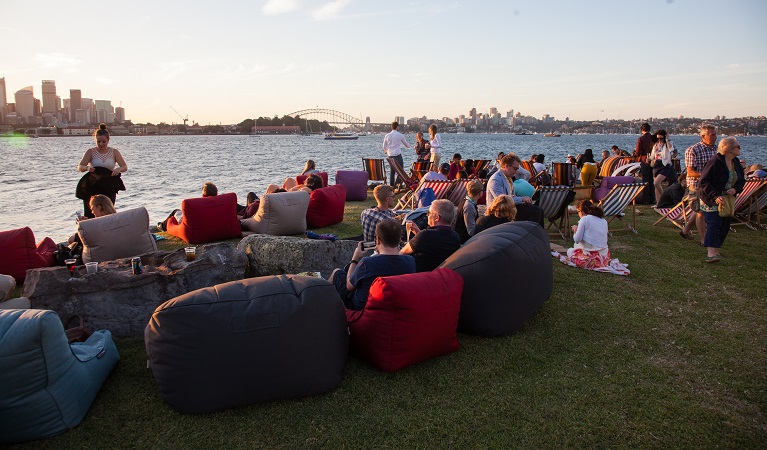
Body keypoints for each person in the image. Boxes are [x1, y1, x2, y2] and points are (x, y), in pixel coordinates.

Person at [330, 219, 415, 310]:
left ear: (377, 240)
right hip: (393, 305)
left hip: (362, 307)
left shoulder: (367, 263)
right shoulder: (410, 261)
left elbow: (349, 286)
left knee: (337, 273)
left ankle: (324, 306)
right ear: (399, 240)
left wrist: (354, 259)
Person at [699, 137, 745, 263]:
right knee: (714, 223)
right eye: (737, 146)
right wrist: (715, 195)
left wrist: (735, 189)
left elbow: (741, 180)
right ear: (729, 149)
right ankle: (711, 252)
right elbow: (704, 181)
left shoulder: (735, 162)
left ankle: (715, 249)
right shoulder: (715, 162)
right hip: (711, 198)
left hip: (727, 199)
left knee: (725, 224)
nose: (739, 149)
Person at [75, 123, 128, 218]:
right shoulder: (91, 151)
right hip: (93, 185)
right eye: (98, 141)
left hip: (108, 184)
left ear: (108, 140)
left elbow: (124, 167)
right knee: (91, 212)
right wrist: (87, 168)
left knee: (108, 212)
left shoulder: (114, 152)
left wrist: (118, 169)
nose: (101, 144)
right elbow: (80, 166)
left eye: (103, 142)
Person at [680, 125, 718, 242]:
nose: (715, 137)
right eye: (712, 135)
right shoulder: (693, 150)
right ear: (703, 136)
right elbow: (690, 172)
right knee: (700, 212)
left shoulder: (716, 149)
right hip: (696, 185)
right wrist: (706, 175)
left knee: (699, 210)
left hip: (710, 186)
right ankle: (704, 240)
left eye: (715, 134)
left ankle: (685, 231)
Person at [401, 199, 461, 272]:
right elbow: (435, 243)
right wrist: (419, 233)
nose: (427, 215)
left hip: (416, 276)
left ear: (437, 218)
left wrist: (419, 236)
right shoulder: (455, 237)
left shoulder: (425, 236)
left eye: (429, 212)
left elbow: (401, 253)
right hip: (437, 275)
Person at [486, 153, 544, 226]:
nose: (516, 171)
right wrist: (522, 199)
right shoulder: (496, 179)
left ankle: (536, 234)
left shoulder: (508, 178)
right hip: (499, 211)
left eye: (517, 169)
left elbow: (511, 197)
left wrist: (524, 201)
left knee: (539, 210)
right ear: (506, 166)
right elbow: (501, 201)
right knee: (535, 211)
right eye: (515, 168)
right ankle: (532, 234)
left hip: (509, 208)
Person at [567, 199, 610, 269]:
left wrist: (575, 230)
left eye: (578, 212)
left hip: (589, 260)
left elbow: (577, 240)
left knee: (569, 251)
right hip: (604, 259)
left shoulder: (584, 219)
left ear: (581, 212)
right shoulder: (604, 221)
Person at [649, 129, 677, 205]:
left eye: (661, 138)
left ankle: (665, 198)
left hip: (665, 164)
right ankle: (658, 203)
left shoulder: (668, 143)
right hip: (656, 164)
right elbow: (652, 155)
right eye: (658, 138)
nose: (659, 140)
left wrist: (667, 139)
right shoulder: (656, 145)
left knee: (656, 183)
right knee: (657, 186)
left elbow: (672, 150)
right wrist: (650, 159)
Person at [633, 123, 656, 204]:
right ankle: (653, 198)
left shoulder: (641, 139)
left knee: (645, 180)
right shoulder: (653, 139)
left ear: (642, 130)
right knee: (651, 180)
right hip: (653, 160)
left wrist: (636, 154)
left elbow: (638, 152)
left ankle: (646, 199)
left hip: (644, 160)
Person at [382, 122, 410, 186]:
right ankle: (399, 185)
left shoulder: (387, 135)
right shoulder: (400, 135)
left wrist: (387, 151)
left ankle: (391, 185)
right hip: (397, 154)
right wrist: (410, 146)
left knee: (392, 171)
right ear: (397, 127)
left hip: (390, 155)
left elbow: (384, 146)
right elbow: (406, 145)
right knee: (400, 171)